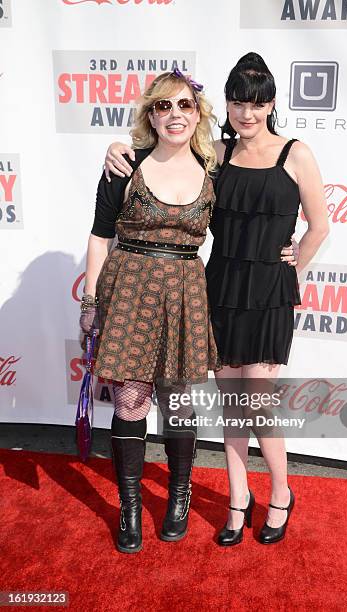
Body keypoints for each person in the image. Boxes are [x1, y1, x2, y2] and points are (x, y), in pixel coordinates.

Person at [103, 53, 322, 547]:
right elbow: (160, 155)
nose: (248, 112)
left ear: (271, 104)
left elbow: (320, 225)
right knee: (230, 408)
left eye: (258, 102)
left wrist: (290, 269)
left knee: (258, 405)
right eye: (238, 101)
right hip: (218, 288)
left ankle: (282, 494)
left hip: (267, 295)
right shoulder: (216, 157)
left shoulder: (296, 153)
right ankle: (238, 500)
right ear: (224, 104)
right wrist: (118, 147)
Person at [80, 69, 220, 553]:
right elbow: (100, 237)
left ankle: (178, 497)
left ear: (197, 111)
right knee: (131, 403)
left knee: (178, 402)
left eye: (184, 104)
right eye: (164, 106)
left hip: (185, 291)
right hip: (130, 292)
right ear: (151, 115)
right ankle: (131, 506)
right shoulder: (124, 165)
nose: (175, 114)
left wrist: (288, 250)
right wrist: (90, 303)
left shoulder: (214, 167)